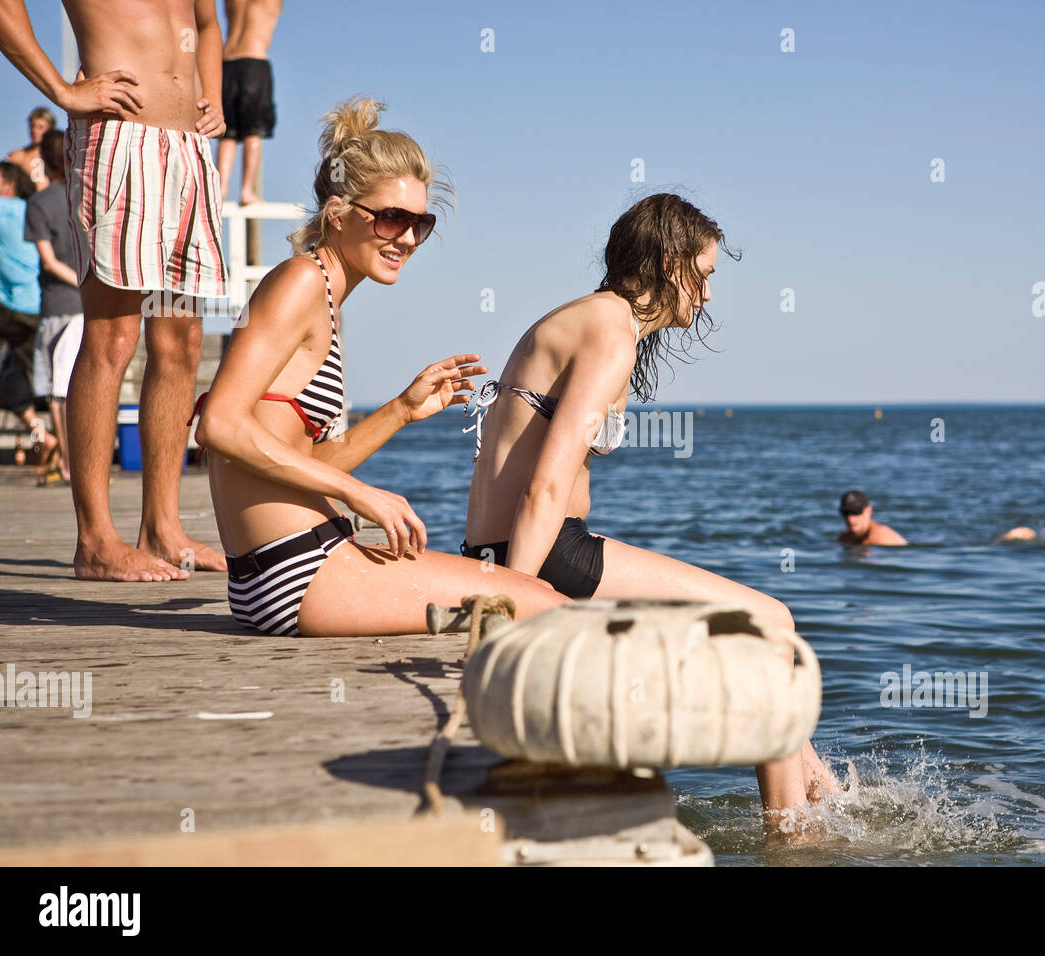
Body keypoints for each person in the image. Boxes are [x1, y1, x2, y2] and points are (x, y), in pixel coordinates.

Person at [460, 192, 838, 829]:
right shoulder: (609, 333)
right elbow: (543, 490)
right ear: (670, 261)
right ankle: (793, 839)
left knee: (761, 632)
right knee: (771, 623)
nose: (710, 295)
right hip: (542, 551)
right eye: (707, 274)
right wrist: (511, 606)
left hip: (531, 546)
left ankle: (825, 796)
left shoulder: (592, 318)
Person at [190, 96, 565, 637]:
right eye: (392, 218)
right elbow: (219, 425)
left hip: (292, 566)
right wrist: (360, 494)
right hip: (294, 573)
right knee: (540, 606)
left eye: (421, 223)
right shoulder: (299, 282)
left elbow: (292, 459)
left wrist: (400, 411)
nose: (408, 239)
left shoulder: (323, 295)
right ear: (338, 212)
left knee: (535, 596)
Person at [0, 0, 231, 581]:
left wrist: (214, 95)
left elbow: (206, 22)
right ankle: (95, 541)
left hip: (188, 152)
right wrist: (63, 91)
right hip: (121, 142)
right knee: (112, 336)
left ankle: (163, 530)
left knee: (181, 344)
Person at [0, 159, 58, 472]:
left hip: (15, 311)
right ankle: (46, 439)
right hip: (34, 313)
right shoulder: (28, 208)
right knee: (9, 389)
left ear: (9, 184)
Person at [25, 129, 84, 484]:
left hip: (58, 305)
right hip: (89, 305)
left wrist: (77, 281)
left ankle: (68, 464)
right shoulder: (84, 196)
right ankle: (71, 460)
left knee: (58, 389)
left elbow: (47, 261)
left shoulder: (39, 203)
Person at [217, 0, 281, 205]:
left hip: (226, 64)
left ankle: (221, 189)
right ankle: (247, 191)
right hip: (254, 61)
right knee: (254, 132)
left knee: (228, 133)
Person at [6, 106, 56, 188]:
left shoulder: (58, 157)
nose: (34, 131)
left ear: (51, 129)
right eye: (32, 126)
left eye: (40, 127)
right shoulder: (18, 156)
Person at [836, 490, 907, 546]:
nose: (850, 518)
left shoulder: (880, 536)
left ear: (868, 511)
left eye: (856, 512)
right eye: (845, 512)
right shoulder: (845, 538)